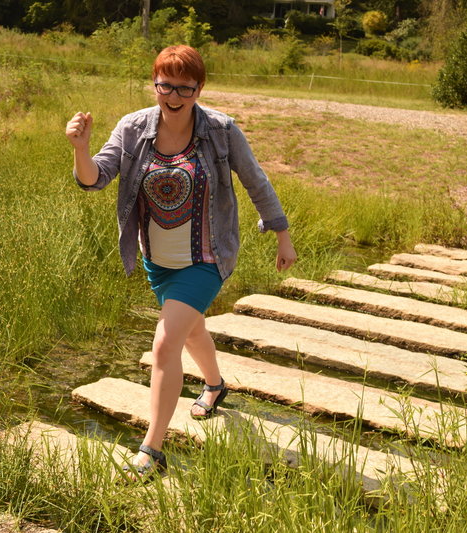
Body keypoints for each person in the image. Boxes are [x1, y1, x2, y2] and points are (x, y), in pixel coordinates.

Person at [65, 45, 296, 480]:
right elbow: (95, 178)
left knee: (164, 345)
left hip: (207, 258)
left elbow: (256, 182)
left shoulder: (221, 130)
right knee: (191, 330)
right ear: (154, 83)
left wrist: (282, 235)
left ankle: (152, 450)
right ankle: (215, 385)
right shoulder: (133, 128)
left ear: (199, 88)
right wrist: (80, 148)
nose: (172, 96)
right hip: (157, 260)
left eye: (183, 88)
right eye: (164, 85)